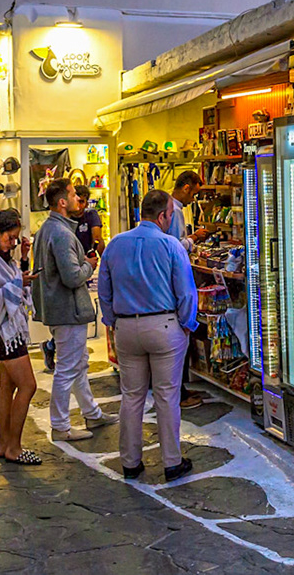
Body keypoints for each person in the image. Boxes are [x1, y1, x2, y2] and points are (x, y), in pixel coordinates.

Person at [97, 189, 197, 481]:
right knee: (167, 396)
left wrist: (112, 320)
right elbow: (186, 291)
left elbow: (105, 289)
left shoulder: (115, 244)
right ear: (164, 215)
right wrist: (186, 323)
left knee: (131, 396)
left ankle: (130, 461)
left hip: (127, 327)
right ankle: (171, 461)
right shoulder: (171, 246)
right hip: (165, 325)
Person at [33, 179, 110, 441]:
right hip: (68, 310)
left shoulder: (49, 229)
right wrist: (90, 264)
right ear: (62, 202)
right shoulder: (61, 233)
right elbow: (72, 276)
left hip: (60, 308)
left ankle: (91, 412)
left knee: (77, 365)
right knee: (67, 368)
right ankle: (60, 426)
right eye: (75, 194)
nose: (80, 198)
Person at [0, 209, 41, 465]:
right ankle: (14, 446)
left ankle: (3, 444)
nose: (12, 243)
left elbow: (12, 278)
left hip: (7, 328)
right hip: (5, 331)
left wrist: (22, 258)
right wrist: (17, 283)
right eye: (10, 238)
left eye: (15, 238)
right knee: (28, 386)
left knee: (7, 385)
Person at [166, 171, 207, 409]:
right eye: (195, 193)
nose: (194, 198)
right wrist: (194, 238)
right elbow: (176, 246)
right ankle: (179, 392)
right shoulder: (177, 211)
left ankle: (179, 388)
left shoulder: (171, 208)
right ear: (187, 187)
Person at [71, 184, 104, 263]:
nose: (78, 205)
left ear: (86, 204)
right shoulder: (66, 216)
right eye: (76, 201)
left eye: (81, 202)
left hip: (87, 259)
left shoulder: (91, 214)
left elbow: (97, 238)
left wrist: (105, 262)